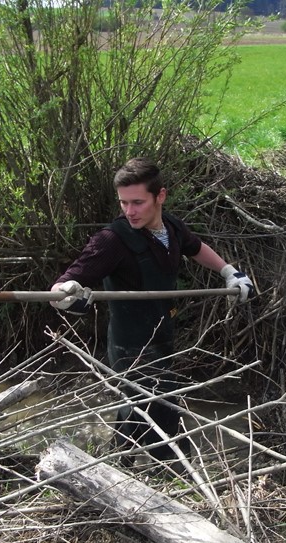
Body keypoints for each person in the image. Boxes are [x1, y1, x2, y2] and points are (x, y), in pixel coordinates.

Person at [50, 157, 254, 467]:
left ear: (160, 196)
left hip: (162, 335)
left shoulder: (171, 228)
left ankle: (122, 468)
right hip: (130, 344)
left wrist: (229, 272)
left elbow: (195, 247)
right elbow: (65, 285)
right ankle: (168, 469)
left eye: (137, 202)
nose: (129, 211)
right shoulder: (111, 240)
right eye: (123, 203)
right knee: (154, 406)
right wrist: (66, 296)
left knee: (143, 407)